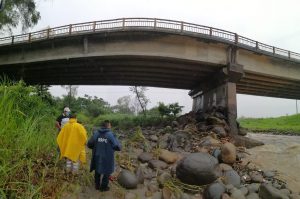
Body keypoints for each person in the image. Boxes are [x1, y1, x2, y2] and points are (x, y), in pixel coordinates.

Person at [88, 120, 121, 192]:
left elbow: (89, 144)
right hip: (107, 157)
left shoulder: (96, 133)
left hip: (97, 155)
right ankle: (103, 187)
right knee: (107, 171)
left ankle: (97, 185)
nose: (110, 126)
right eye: (110, 125)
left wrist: (95, 147)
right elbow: (117, 147)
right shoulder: (110, 134)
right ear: (108, 126)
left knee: (97, 169)